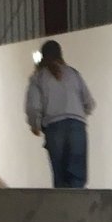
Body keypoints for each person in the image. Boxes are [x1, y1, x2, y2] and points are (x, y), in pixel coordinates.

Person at [23, 40, 95, 188]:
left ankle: (64, 209)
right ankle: (79, 208)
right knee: (77, 178)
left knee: (60, 180)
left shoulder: (38, 77)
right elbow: (89, 103)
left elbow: (33, 106)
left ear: (43, 56)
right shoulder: (73, 74)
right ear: (60, 54)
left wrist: (35, 124)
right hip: (77, 127)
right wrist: (78, 114)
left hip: (54, 128)